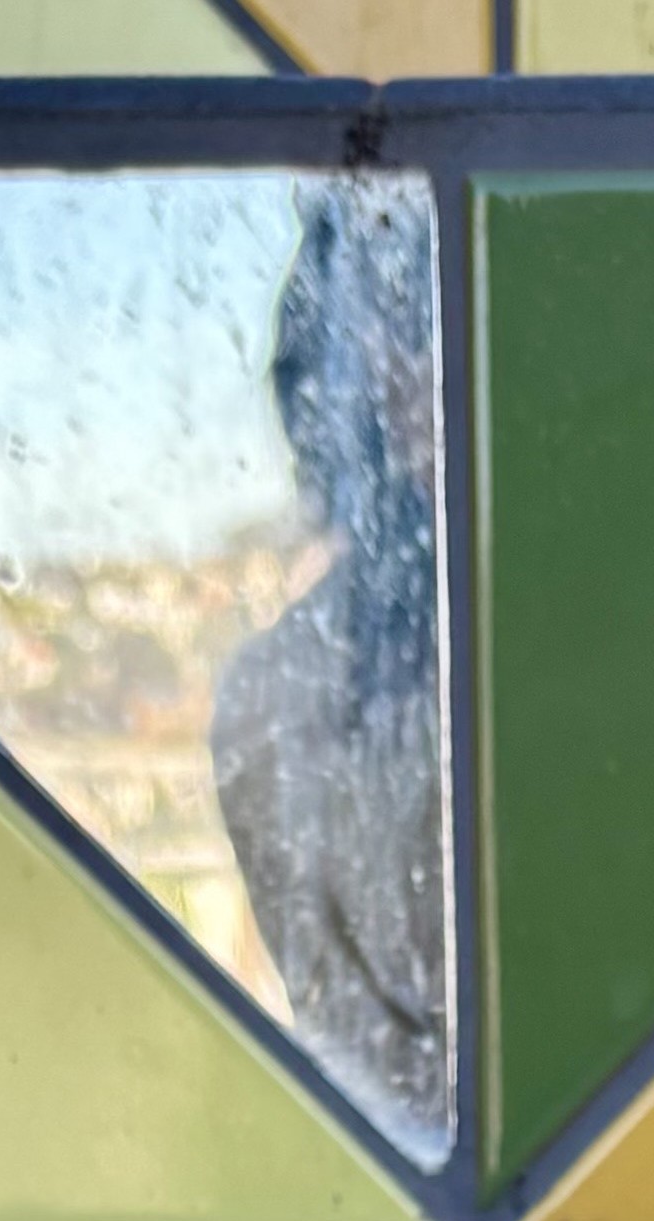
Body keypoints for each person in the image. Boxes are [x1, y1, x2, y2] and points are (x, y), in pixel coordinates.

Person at [214, 187, 451, 1155]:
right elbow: (387, 1085)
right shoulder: (275, 702)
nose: (417, 381)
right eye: (396, 342)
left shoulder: (270, 698)